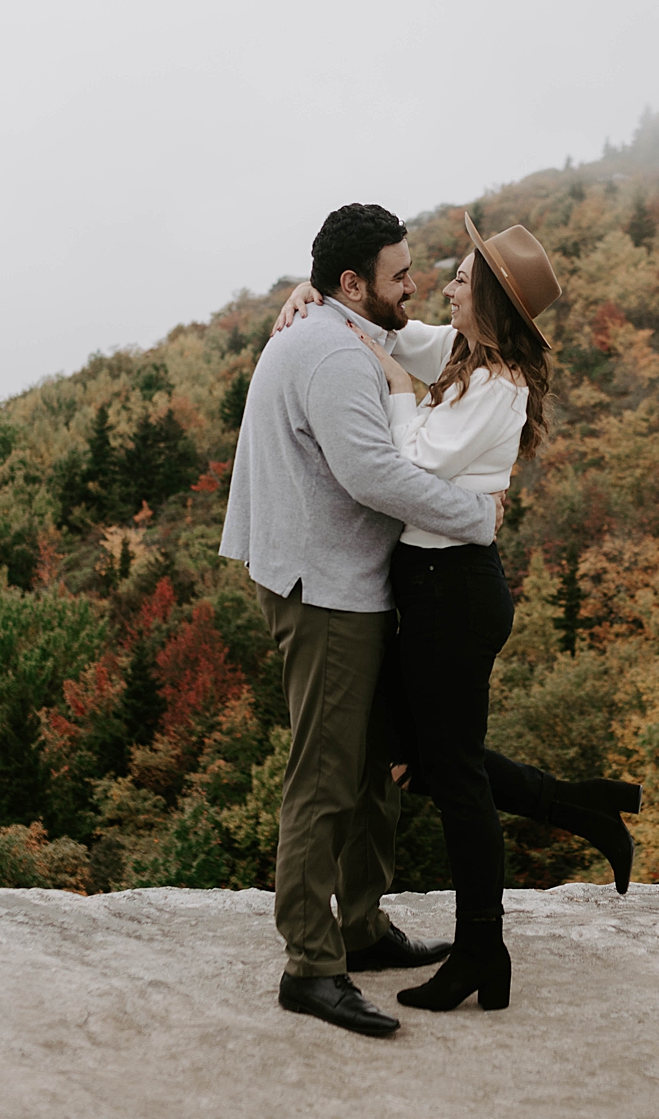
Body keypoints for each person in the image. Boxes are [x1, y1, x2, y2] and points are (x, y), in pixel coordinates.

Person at [274, 214, 642, 1014]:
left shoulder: (498, 383)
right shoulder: (458, 352)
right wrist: (318, 290)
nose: (442, 286)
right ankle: (580, 806)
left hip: (454, 588)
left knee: (452, 774)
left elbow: (403, 462)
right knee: (423, 753)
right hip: (424, 583)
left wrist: (400, 394)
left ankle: (483, 947)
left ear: (493, 306)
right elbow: (390, 332)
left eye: (461, 281)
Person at [220, 202, 506, 1039]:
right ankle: (311, 964)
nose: (413, 284)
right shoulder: (336, 352)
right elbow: (373, 474)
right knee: (325, 777)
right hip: (327, 590)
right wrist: (477, 516)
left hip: (339, 578)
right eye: (398, 275)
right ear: (352, 285)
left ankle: (363, 927)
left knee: (373, 765)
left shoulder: (332, 331)